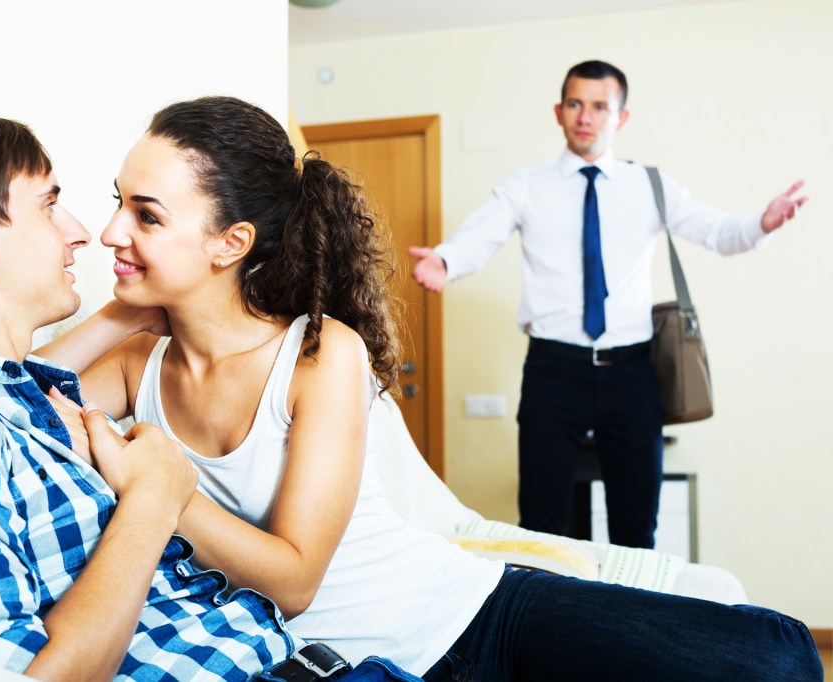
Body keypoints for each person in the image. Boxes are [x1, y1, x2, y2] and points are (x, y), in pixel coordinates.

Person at [44, 95, 822, 681]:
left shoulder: (318, 353)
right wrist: (117, 313)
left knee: (778, 654)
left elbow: (295, 576)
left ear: (231, 243)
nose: (111, 232)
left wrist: (164, 491)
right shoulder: (135, 367)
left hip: (473, 613)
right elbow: (6, 397)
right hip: (364, 664)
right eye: (118, 203)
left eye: (145, 216)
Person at [0, 114, 420, 682]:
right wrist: (152, 494)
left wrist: (120, 318)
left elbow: (12, 381)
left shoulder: (10, 405)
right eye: (48, 205)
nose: (87, 233)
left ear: (233, 243)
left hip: (358, 650)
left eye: (146, 215)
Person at [408, 59, 807, 550]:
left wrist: (762, 223)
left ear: (621, 117)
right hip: (553, 372)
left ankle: (627, 604)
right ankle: (555, 604)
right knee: (542, 527)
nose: (586, 116)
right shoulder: (524, 186)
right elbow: (478, 237)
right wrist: (445, 261)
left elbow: (717, 231)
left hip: (633, 374)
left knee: (636, 529)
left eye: (600, 107)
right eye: (575, 104)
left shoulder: (650, 185)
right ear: (558, 112)